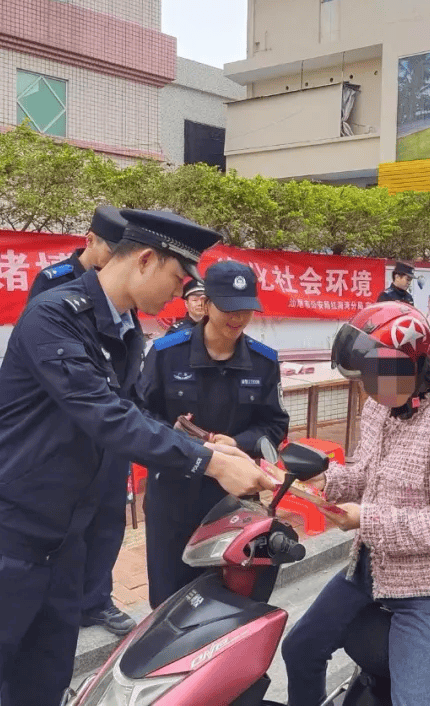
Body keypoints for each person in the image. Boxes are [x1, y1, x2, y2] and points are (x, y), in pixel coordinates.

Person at [0, 211, 276, 706]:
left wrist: (199, 439)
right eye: (178, 278)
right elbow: (104, 414)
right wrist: (207, 462)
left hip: (62, 543)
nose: (180, 294)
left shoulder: (126, 327)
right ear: (146, 261)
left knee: (42, 684)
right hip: (0, 537)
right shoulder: (54, 314)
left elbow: (130, 409)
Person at [281, 301, 430, 706]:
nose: (367, 390)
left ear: (408, 367)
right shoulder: (381, 408)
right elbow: (365, 472)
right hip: (373, 567)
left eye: (373, 378)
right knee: (300, 649)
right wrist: (325, 480)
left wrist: (366, 518)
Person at [139, 260, 290, 607]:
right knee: (169, 601)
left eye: (246, 310)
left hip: (235, 501)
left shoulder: (264, 361)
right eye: (228, 309)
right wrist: (187, 443)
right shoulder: (166, 355)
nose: (237, 319)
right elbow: (140, 417)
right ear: (205, 304)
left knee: (231, 600)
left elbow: (274, 426)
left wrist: (238, 443)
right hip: (174, 498)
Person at [25, 204, 136, 636]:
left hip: (112, 425)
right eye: (111, 250)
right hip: (71, 425)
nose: (116, 262)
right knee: (68, 520)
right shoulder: (54, 285)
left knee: (109, 516)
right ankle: (61, 606)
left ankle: (97, 600)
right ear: (90, 240)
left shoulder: (124, 290)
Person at [27, 204, 126, 298]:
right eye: (111, 252)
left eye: (121, 254)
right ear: (90, 240)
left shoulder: (118, 282)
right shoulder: (54, 280)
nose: (116, 259)